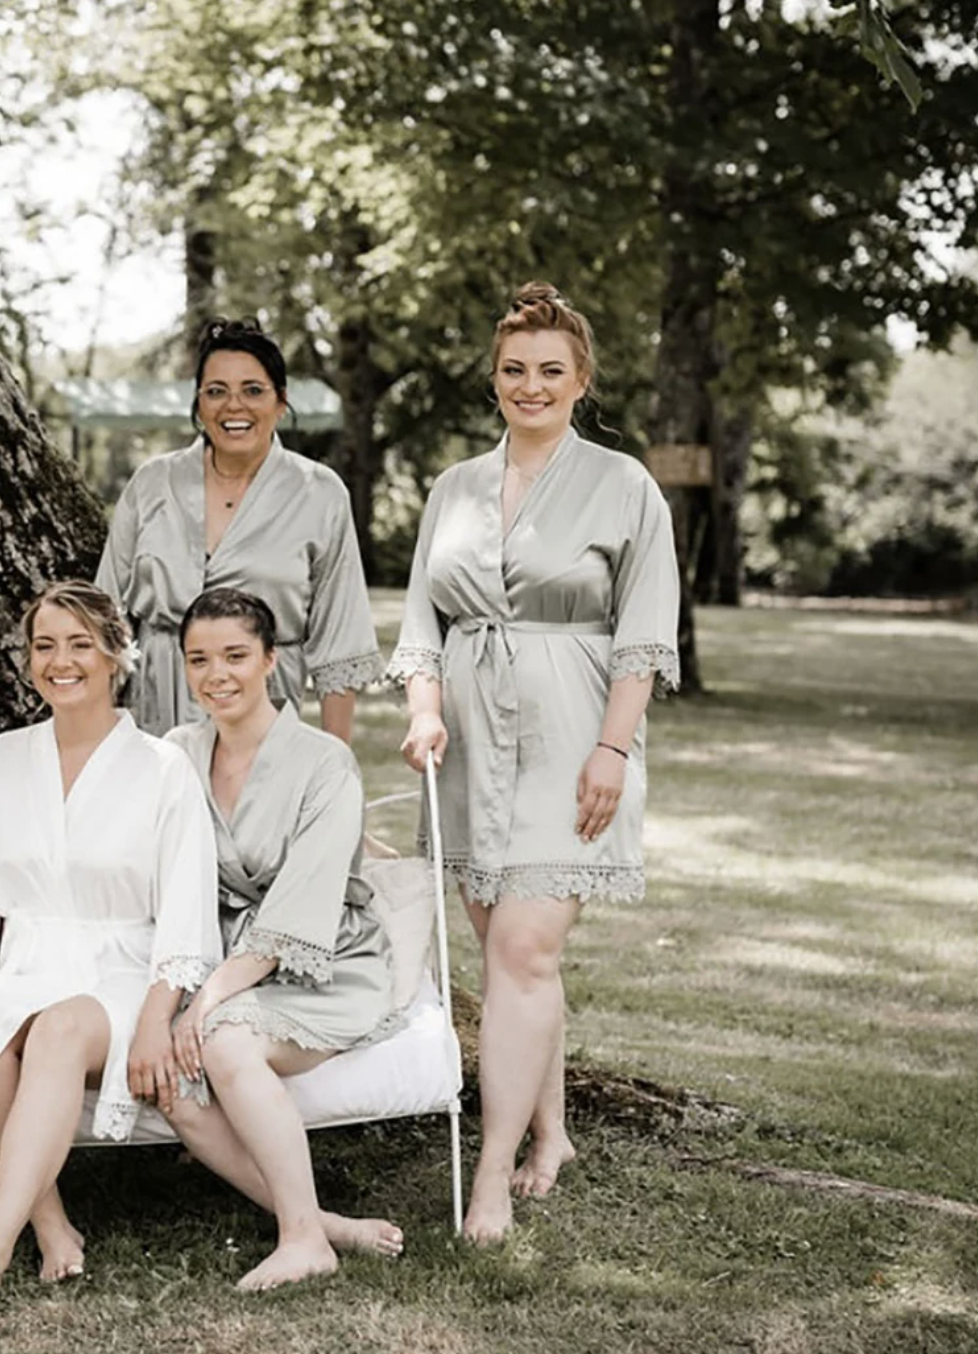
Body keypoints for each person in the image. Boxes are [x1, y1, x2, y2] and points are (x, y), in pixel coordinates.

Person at [387, 282, 680, 1243]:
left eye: (552, 370)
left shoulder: (625, 485)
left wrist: (612, 748)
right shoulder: (453, 487)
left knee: (524, 949)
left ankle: (493, 1178)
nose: (532, 385)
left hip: (574, 739)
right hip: (467, 743)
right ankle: (552, 1132)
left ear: (582, 379)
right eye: (514, 369)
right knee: (511, 957)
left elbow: (644, 635)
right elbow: (422, 620)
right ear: (494, 379)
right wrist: (425, 710)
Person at [0, 580, 220, 1320]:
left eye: (80, 644)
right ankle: (51, 1225)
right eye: (44, 645)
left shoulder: (163, 768)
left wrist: (157, 1015)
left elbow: (186, 912)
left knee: (57, 1029)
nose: (60, 661)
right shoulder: (0, 761)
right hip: (26, 965)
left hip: (122, 974)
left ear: (116, 655)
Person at [158, 587, 406, 1290]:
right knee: (169, 1077)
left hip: (320, 963)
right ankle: (324, 1223)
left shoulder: (325, 762)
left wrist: (207, 999)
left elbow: (299, 913)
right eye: (199, 659)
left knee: (224, 1042)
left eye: (235, 656)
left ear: (270, 660)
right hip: (218, 958)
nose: (217, 675)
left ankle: (302, 1239)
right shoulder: (176, 754)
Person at [97, 317, 383, 740]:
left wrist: (335, 763)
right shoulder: (152, 484)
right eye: (216, 391)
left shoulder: (321, 493)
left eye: (253, 390)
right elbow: (104, 622)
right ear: (198, 403)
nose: (234, 406)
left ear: (281, 402)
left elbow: (339, 646)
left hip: (264, 721)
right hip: (157, 722)